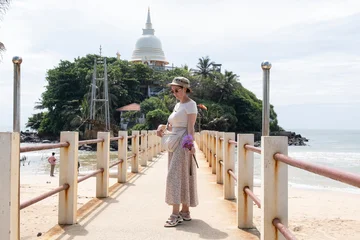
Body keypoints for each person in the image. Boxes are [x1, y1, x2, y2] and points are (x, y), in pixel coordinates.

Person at [157, 76, 198, 227]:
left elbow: (191, 128)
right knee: (181, 175)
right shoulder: (178, 105)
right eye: (173, 90)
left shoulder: (190, 105)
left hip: (182, 143)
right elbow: (171, 125)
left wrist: (190, 144)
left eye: (177, 90)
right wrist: (162, 128)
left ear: (185, 89)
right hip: (173, 142)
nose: (174, 93)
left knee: (174, 176)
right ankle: (185, 211)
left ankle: (175, 214)